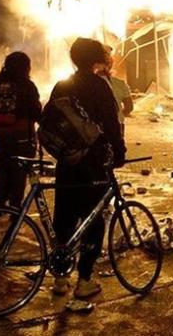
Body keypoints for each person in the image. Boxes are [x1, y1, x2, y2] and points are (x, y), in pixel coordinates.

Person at [48, 38, 126, 300]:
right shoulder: (99, 87)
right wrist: (119, 152)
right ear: (95, 59)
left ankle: (60, 278)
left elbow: (49, 120)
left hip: (67, 162)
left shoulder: (62, 85)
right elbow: (112, 125)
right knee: (93, 219)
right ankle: (84, 279)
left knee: (65, 216)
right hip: (93, 164)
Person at [0, 52, 41, 210]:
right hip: (21, 135)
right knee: (19, 171)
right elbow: (36, 112)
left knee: (3, 165)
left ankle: (0, 201)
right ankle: (15, 206)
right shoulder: (27, 85)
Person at [100, 46, 133, 135]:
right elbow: (129, 107)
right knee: (117, 148)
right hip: (117, 125)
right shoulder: (120, 84)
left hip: (95, 128)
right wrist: (118, 115)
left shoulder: (86, 84)